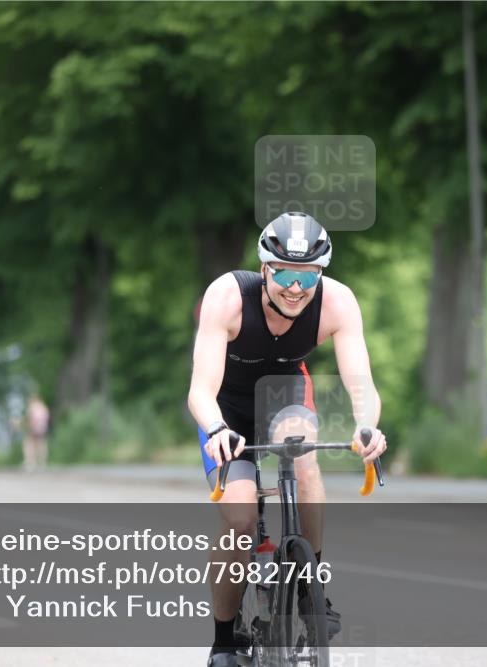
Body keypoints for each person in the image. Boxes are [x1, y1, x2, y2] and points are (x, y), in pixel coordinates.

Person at [187, 212, 387, 667]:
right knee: (239, 521)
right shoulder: (228, 297)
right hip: (226, 411)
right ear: (264, 269)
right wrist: (217, 430)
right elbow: (200, 389)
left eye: (307, 276)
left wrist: (366, 427)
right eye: (284, 274)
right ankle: (224, 643)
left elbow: (362, 385)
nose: (295, 287)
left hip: (285, 399)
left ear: (321, 274)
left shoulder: (337, 302)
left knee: (303, 457)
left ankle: (308, 584)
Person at [24, 394, 50, 471]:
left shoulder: (32, 407)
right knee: (41, 445)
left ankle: (31, 462)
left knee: (29, 444)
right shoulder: (44, 408)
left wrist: (29, 427)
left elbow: (31, 419)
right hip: (43, 429)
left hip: (34, 428)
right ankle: (42, 463)